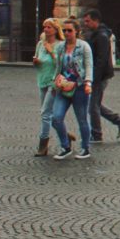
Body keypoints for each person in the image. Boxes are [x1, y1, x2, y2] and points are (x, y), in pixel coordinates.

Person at [51, 18, 94, 160]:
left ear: (77, 31)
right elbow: (58, 66)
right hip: (63, 86)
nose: (67, 33)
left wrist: (88, 82)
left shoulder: (83, 46)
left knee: (82, 119)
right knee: (56, 118)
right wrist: (55, 80)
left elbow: (89, 65)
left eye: (69, 30)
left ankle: (85, 148)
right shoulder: (60, 47)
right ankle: (65, 146)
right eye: (64, 30)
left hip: (80, 87)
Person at [82, 9, 120, 142]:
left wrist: (93, 79)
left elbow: (101, 59)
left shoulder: (101, 36)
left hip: (99, 76)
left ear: (96, 20)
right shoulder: (96, 34)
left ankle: (97, 134)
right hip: (97, 75)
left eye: (88, 21)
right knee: (94, 104)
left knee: (93, 106)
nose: (86, 23)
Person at [32, 18, 74, 156]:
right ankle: (65, 135)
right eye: (44, 27)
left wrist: (51, 52)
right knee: (49, 114)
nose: (46, 29)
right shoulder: (40, 44)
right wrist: (36, 61)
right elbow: (38, 59)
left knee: (45, 113)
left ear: (56, 29)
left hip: (54, 82)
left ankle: (42, 145)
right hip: (42, 80)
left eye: (49, 27)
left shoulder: (60, 45)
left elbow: (61, 63)